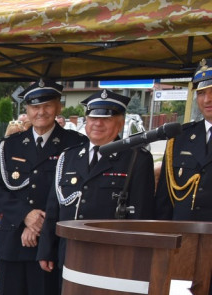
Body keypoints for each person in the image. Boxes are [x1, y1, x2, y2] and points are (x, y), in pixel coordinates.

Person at [0, 79, 85, 295]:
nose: (40, 111)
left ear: (58, 107)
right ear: (26, 110)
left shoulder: (74, 144)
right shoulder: (10, 146)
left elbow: (72, 189)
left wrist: (40, 224)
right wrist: (26, 218)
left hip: (49, 242)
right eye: (34, 106)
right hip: (12, 240)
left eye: (46, 105)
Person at [38, 90, 156, 272]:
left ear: (120, 123)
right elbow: (54, 206)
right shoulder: (69, 156)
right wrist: (46, 249)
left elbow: (140, 214)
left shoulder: (135, 159)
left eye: (106, 119)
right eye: (92, 118)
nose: (98, 124)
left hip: (111, 256)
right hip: (70, 252)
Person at [156, 61, 212, 295]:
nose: (209, 99)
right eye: (204, 92)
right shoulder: (182, 136)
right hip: (184, 254)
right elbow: (164, 202)